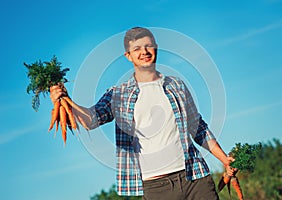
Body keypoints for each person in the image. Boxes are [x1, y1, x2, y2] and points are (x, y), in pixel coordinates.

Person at [50, 27, 235, 200]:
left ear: (156, 49)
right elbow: (91, 119)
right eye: (137, 48)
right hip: (155, 187)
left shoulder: (177, 85)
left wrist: (225, 160)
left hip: (195, 178)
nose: (144, 52)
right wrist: (65, 101)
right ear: (128, 56)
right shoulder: (118, 94)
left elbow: (198, 128)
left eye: (148, 46)